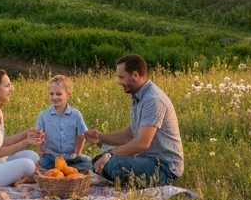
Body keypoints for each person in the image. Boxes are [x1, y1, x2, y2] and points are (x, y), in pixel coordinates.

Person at [83, 54, 185, 187]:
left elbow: (142, 143)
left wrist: (109, 155)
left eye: (121, 77)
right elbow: (131, 134)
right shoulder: (139, 96)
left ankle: (107, 175)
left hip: (164, 168)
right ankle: (106, 175)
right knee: (97, 159)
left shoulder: (153, 99)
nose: (119, 82)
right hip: (145, 159)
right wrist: (101, 137)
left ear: (135, 75)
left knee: (113, 164)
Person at [34, 74, 93, 174]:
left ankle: (66, 171)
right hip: (51, 156)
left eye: (58, 94)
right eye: (51, 94)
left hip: (70, 157)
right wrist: (42, 152)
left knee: (87, 162)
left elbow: (82, 135)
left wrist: (76, 152)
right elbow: (38, 137)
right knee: (45, 162)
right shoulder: (43, 115)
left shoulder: (76, 115)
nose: (54, 97)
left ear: (68, 94)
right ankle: (55, 172)